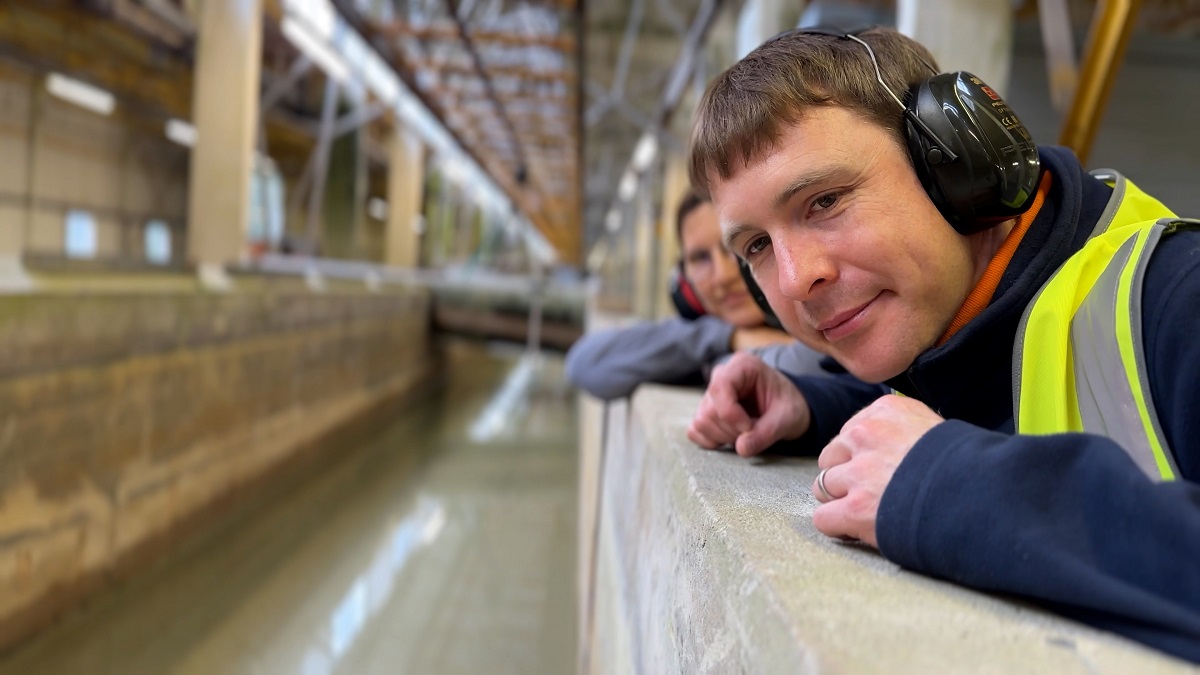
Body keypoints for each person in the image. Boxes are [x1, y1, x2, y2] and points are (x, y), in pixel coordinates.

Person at [684, 26, 1200, 662]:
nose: (795, 280)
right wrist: (817, 406)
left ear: (954, 166)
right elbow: (990, 385)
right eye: (757, 246)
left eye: (825, 201)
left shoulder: (1179, 301)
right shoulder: (956, 322)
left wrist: (946, 487)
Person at [566, 191, 829, 400]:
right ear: (683, 282)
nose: (723, 276)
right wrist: (727, 338)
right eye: (701, 258)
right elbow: (586, 363)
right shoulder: (702, 342)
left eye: (735, 247)